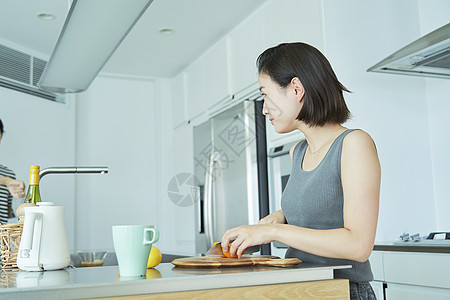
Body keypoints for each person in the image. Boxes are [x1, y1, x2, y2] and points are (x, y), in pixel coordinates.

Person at [221, 43, 380, 300]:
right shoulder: (298, 151)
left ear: (296, 89)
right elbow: (326, 203)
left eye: (265, 94)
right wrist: (281, 216)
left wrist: (273, 232)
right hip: (302, 290)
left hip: (343, 291)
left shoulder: (353, 144)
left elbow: (359, 245)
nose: (263, 109)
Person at [0, 118, 26, 224]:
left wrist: (19, 199)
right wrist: (5, 181)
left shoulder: (9, 174)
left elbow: (9, 213)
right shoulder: (7, 179)